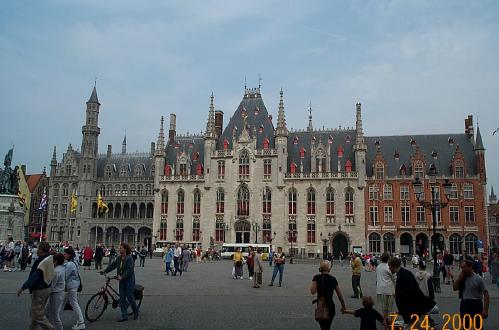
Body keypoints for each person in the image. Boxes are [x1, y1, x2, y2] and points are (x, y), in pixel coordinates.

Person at [16, 241, 55, 330]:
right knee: (37, 312)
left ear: (41, 249)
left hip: (39, 289)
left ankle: (50, 328)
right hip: (47, 287)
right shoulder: (50, 258)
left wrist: (23, 287)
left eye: (38, 248)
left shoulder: (41, 261)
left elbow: (35, 277)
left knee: (37, 313)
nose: (37, 250)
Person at [388, 257, 435, 325]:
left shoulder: (402, 275)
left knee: (414, 325)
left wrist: (397, 296)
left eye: (389, 266)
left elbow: (408, 293)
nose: (389, 268)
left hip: (411, 308)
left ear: (393, 266)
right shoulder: (404, 273)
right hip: (413, 307)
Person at [102, 243, 139, 322]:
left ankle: (136, 311)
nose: (119, 249)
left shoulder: (129, 258)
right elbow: (113, 265)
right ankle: (124, 316)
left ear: (125, 249)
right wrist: (105, 271)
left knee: (130, 297)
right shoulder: (119, 258)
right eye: (120, 248)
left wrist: (122, 276)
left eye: (121, 248)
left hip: (129, 280)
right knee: (122, 298)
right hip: (121, 280)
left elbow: (130, 270)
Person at [310, 260, 346, 330]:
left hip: (321, 304)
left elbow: (312, 291)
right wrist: (343, 306)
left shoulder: (316, 277)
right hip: (330, 305)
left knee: (323, 326)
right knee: (327, 325)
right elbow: (340, 295)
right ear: (329, 268)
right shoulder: (333, 279)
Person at [453, 259, 489, 328]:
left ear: (470, 267)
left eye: (464, 267)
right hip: (465, 304)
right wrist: (459, 278)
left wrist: (485, 310)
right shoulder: (462, 278)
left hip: (476, 304)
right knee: (466, 326)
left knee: (478, 325)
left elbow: (486, 294)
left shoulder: (478, 279)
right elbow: (455, 288)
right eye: (462, 268)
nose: (463, 270)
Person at [63, 247, 85, 330]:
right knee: (64, 303)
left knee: (74, 304)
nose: (64, 255)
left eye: (65, 254)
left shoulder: (70, 264)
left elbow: (65, 276)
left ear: (69, 255)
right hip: (72, 285)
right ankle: (55, 320)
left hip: (72, 286)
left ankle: (81, 322)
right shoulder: (73, 262)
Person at [375, 253, 395, 323]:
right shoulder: (389, 267)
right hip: (388, 289)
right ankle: (387, 319)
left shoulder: (378, 266)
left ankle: (384, 318)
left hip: (380, 289)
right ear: (388, 259)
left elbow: (377, 277)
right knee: (388, 307)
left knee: (383, 306)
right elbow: (394, 278)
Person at [48, 253, 66, 330]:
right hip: (59, 292)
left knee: (55, 315)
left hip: (56, 293)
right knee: (48, 312)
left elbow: (52, 285)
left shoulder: (56, 271)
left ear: (56, 261)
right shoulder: (62, 268)